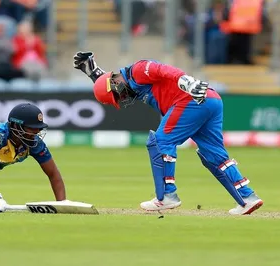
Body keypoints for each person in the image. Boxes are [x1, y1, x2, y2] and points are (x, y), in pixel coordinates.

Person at [72, 51, 263, 215]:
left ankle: (166, 196)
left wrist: (187, 82)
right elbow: (105, 82)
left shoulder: (138, 69)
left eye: (118, 94)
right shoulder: (125, 83)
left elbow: (163, 70)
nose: (122, 98)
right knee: (212, 155)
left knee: (160, 142)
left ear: (115, 81)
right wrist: (93, 71)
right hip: (211, 100)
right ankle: (247, 197)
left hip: (189, 99)